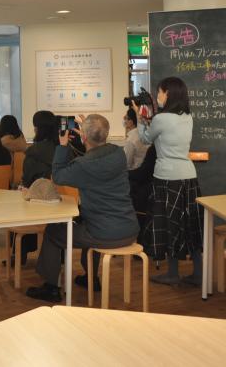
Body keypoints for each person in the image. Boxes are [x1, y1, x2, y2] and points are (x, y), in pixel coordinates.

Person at [26, 114, 139, 302]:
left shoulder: (83, 165)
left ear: (84, 137)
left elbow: (58, 176)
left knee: (54, 232)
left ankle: (51, 287)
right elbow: (99, 150)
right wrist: (92, 130)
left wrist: (63, 146)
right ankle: (91, 279)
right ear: (106, 134)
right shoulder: (119, 154)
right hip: (129, 228)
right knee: (87, 223)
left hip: (103, 233)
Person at [133, 76, 203, 286]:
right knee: (190, 225)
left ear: (169, 94)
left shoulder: (161, 119)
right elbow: (161, 133)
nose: (158, 96)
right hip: (188, 176)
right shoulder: (187, 116)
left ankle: (173, 273)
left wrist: (139, 117)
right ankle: (198, 273)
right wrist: (150, 121)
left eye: (160, 92)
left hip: (167, 178)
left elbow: (146, 139)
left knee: (168, 224)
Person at [13, 111, 58, 266]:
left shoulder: (33, 153)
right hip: (59, 208)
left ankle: (19, 254)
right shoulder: (62, 149)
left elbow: (27, 181)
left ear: (38, 129)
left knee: (21, 202)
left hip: (35, 207)